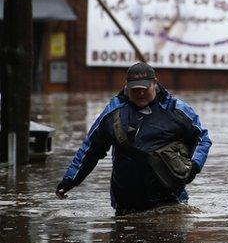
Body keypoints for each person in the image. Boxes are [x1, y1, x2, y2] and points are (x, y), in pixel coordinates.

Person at [56, 62, 212, 215]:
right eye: (135, 90)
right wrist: (70, 181)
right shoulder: (113, 112)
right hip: (126, 204)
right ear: (126, 86)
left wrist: (195, 166)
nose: (141, 93)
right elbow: (91, 149)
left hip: (171, 202)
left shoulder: (176, 110)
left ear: (155, 84)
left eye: (145, 89)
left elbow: (202, 139)